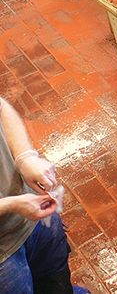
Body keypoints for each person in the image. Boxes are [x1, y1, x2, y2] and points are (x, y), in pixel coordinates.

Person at [0, 97, 87, 294]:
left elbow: (2, 107)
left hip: (36, 219)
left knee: (57, 282)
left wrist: (25, 157)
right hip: (4, 257)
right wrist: (10, 205)